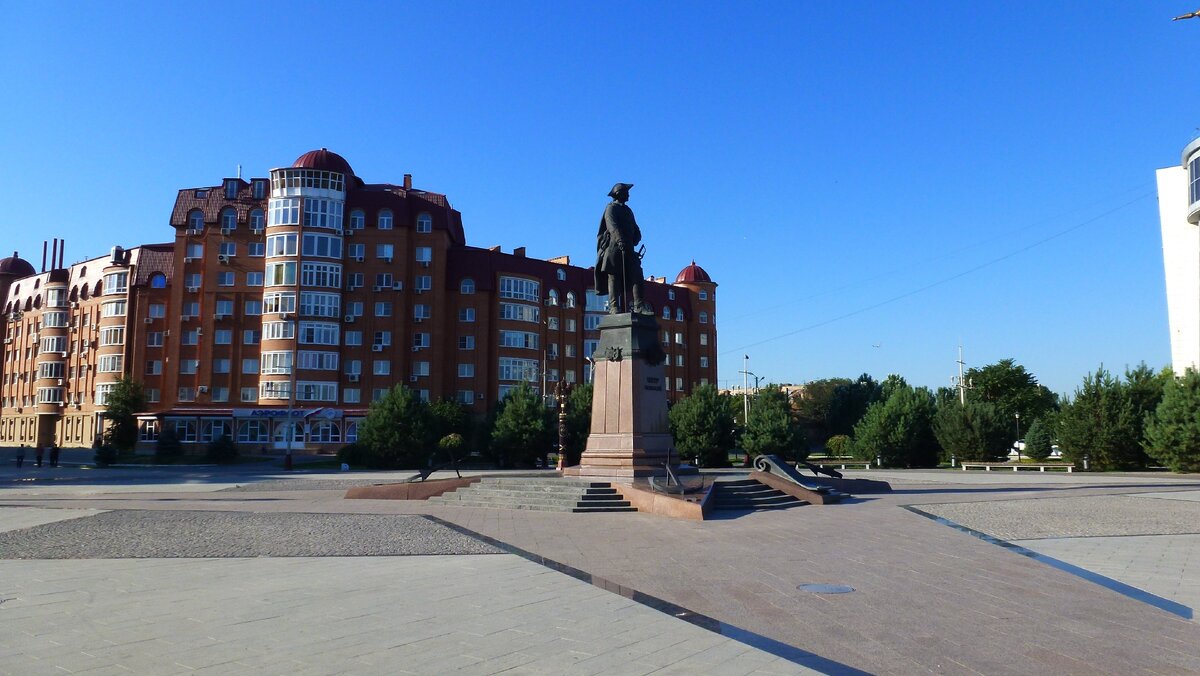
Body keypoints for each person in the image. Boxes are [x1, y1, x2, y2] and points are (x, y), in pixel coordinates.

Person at [594, 182, 653, 315]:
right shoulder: (611, 208)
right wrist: (620, 239)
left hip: (629, 248)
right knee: (614, 276)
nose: (629, 195)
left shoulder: (628, 210)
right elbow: (612, 225)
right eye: (626, 192)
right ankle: (614, 307)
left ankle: (639, 305)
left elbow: (634, 226)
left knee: (637, 274)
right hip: (614, 248)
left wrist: (637, 235)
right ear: (619, 194)